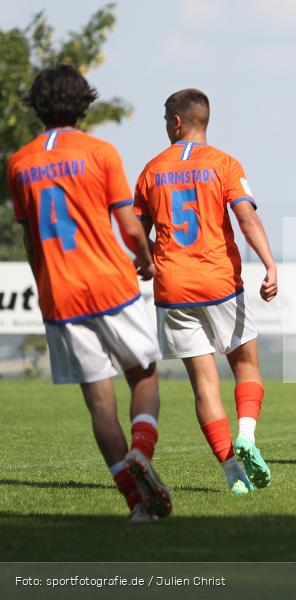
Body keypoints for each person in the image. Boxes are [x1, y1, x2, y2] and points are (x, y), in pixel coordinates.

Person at [8, 65, 170, 523]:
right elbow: (128, 225)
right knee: (143, 375)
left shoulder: (18, 162)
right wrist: (144, 258)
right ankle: (142, 451)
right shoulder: (100, 152)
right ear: (84, 102)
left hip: (59, 293)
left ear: (36, 106)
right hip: (109, 283)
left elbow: (29, 238)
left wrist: (45, 285)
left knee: (99, 400)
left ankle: (138, 505)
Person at [134, 89, 278, 494]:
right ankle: (246, 435)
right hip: (219, 283)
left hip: (172, 288)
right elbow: (246, 218)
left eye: (166, 118)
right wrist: (269, 264)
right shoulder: (224, 164)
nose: (165, 125)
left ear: (177, 121)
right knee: (246, 366)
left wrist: (142, 263)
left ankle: (233, 474)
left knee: (204, 384)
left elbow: (136, 234)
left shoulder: (151, 169)